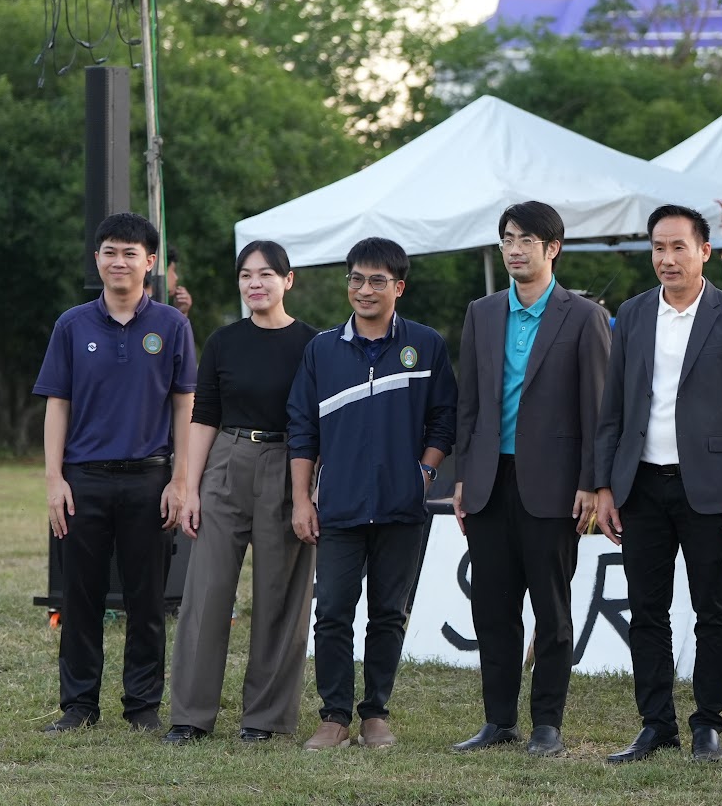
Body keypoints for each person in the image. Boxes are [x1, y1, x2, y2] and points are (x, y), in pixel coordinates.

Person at [593, 204, 722, 765]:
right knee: (647, 609)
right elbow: (613, 408)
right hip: (640, 486)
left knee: (712, 609)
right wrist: (605, 486)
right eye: (658, 248)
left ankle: (707, 724)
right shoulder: (633, 314)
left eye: (678, 248)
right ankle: (656, 723)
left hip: (710, 489)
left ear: (704, 252)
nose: (667, 259)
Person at [449, 203, 611, 758]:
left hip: (555, 485)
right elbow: (468, 404)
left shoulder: (583, 317)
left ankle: (547, 724)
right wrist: (464, 477)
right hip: (490, 479)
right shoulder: (482, 313)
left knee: (552, 609)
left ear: (553, 248)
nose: (514, 250)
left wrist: (590, 482)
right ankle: (499, 721)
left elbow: (596, 409)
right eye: (507, 239)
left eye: (526, 240)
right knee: (492, 608)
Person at [287, 237, 456, 751]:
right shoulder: (322, 349)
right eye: (356, 279)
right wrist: (302, 498)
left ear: (398, 287)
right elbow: (302, 428)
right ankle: (334, 716)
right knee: (332, 612)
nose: (364, 289)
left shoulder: (425, 344)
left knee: (387, 614)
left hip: (401, 506)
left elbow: (444, 418)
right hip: (338, 506)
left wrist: (423, 474)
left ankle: (375, 714)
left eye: (377, 280)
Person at [36, 212, 196, 733]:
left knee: (146, 599)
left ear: (150, 262)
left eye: (130, 253)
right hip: (83, 479)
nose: (119, 261)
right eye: (110, 251)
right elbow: (57, 404)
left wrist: (180, 479)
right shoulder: (72, 324)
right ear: (97, 259)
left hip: (149, 479)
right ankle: (79, 705)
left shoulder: (172, 325)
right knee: (79, 596)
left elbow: (184, 405)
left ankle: (142, 705)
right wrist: (54, 479)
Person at [164, 241, 319, 744]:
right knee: (206, 591)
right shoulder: (223, 342)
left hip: (289, 464)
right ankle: (190, 715)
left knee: (280, 594)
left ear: (287, 280)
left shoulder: (313, 345)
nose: (255, 283)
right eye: (246, 275)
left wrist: (308, 490)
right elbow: (203, 414)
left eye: (266, 274)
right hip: (226, 462)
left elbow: (317, 421)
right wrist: (190, 487)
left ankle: (265, 718)